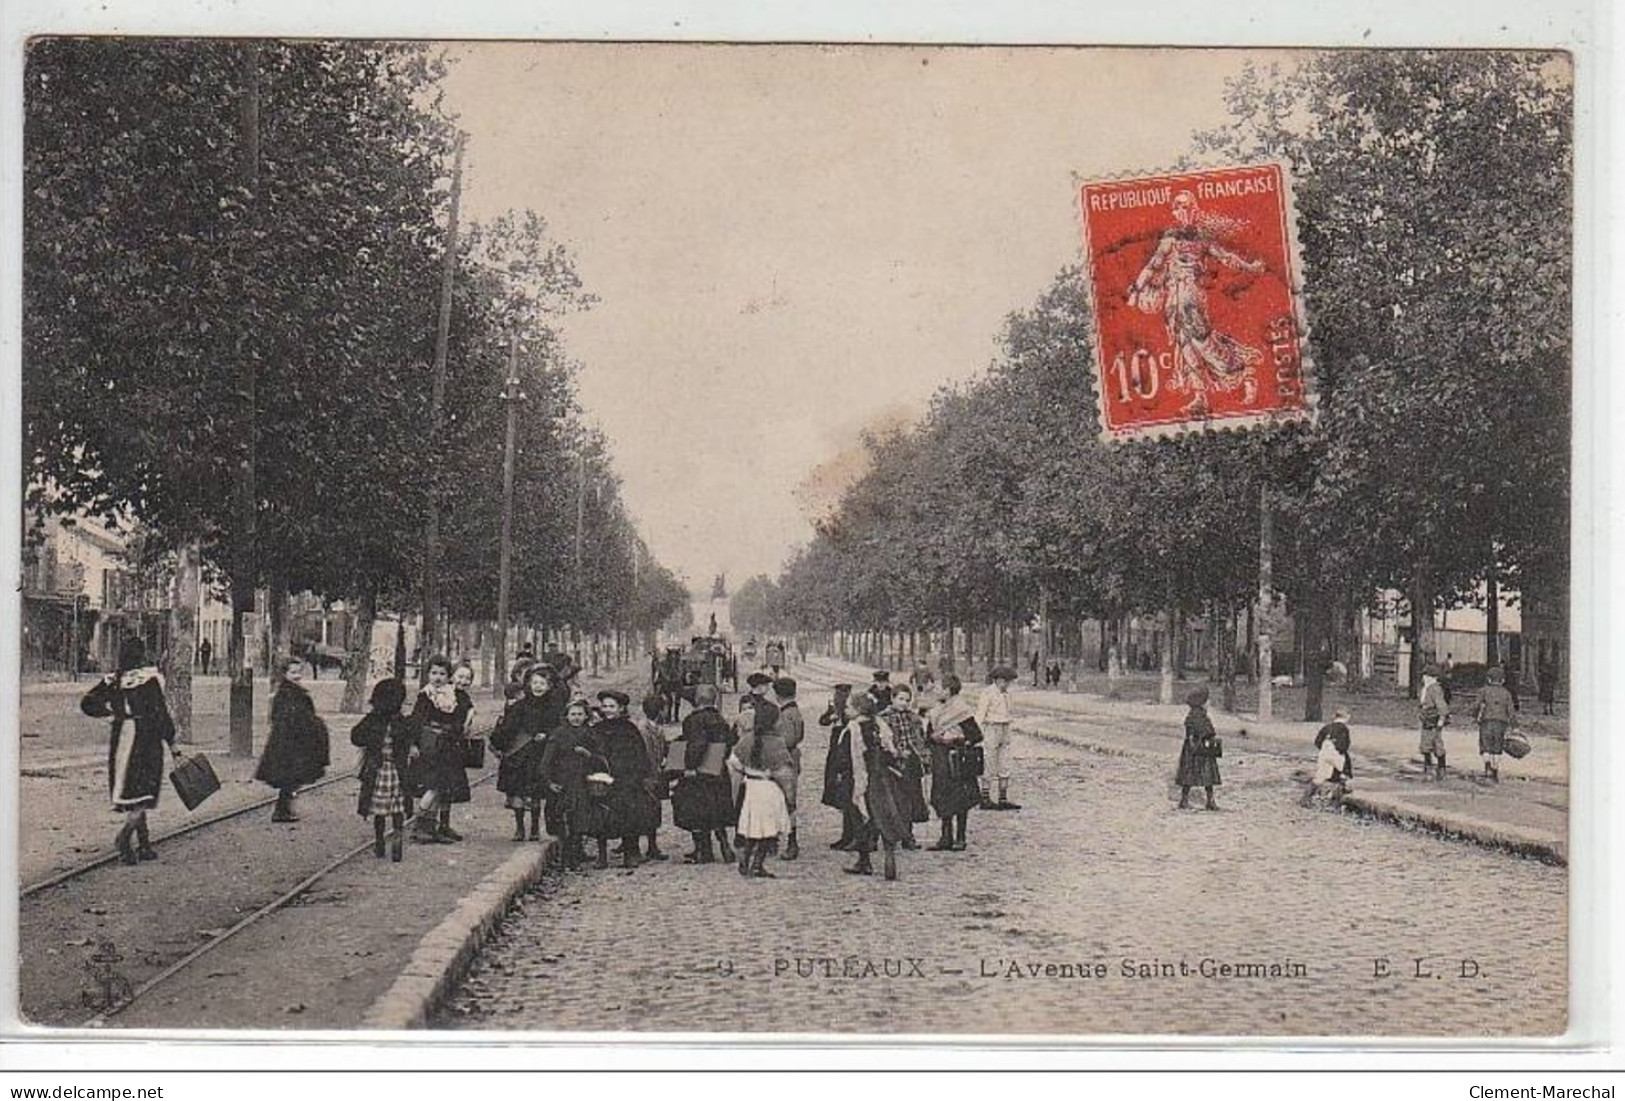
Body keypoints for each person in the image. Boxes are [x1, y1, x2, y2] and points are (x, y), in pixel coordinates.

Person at [1127, 188, 1266, 414]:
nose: (1184, 210)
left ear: (1195, 209)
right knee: (1185, 344)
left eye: (1188, 205)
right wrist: (1136, 288)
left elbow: (1225, 257)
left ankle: (1244, 374)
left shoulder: (1203, 237)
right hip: (1173, 295)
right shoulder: (1170, 237)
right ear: (1174, 211)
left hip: (1192, 294)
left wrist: (1250, 267)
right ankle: (1200, 397)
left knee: (1202, 340)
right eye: (1179, 206)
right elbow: (1154, 263)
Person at [80, 636, 178, 865]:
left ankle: (144, 845)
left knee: (131, 790)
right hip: (145, 739)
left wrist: (110, 714)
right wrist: (172, 743)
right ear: (141, 655)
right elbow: (160, 714)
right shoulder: (149, 680)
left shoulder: (113, 680)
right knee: (144, 790)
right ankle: (124, 839)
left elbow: (87, 703)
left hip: (121, 737)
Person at [589, 690, 661, 870]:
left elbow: (640, 755)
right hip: (604, 779)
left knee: (630, 814)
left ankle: (631, 852)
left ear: (621, 708)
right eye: (605, 706)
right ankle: (602, 855)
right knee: (602, 816)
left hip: (628, 780)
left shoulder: (629, 729)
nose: (608, 710)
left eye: (612, 706)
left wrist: (641, 776)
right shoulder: (596, 730)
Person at [255, 654, 331, 823]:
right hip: (289, 743)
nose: (297, 676)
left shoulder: (293, 692)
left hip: (293, 742)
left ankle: (284, 808)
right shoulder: (287, 694)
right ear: (285, 674)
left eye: (299, 672)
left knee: (291, 778)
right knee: (290, 777)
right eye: (293, 672)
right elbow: (292, 717)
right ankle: (282, 810)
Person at [844, 692, 910, 880]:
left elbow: (846, 758)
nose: (846, 710)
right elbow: (890, 750)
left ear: (857, 710)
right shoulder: (879, 725)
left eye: (849, 707)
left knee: (860, 818)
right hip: (883, 777)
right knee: (884, 814)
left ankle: (864, 861)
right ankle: (889, 853)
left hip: (861, 779)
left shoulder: (853, 729)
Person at [351, 677, 418, 862]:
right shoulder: (402, 721)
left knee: (378, 809)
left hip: (377, 769)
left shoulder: (372, 719)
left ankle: (379, 841)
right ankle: (397, 835)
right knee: (398, 807)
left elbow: (355, 737)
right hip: (396, 770)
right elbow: (411, 739)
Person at [410, 656, 473, 842]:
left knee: (446, 786)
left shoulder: (452, 695)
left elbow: (461, 714)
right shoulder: (426, 695)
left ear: (449, 676)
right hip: (431, 745)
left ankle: (440, 826)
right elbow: (416, 721)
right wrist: (413, 744)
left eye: (442, 674)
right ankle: (420, 825)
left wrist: (468, 716)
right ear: (428, 674)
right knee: (434, 785)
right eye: (434, 673)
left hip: (449, 745)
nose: (438, 678)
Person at [673, 684, 737, 864]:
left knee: (696, 811)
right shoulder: (720, 719)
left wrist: (690, 766)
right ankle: (724, 844)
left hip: (699, 772)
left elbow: (696, 744)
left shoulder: (693, 720)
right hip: (717, 769)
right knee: (716, 809)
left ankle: (703, 851)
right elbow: (730, 742)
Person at [491, 667, 554, 842]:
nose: (538, 687)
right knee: (517, 791)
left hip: (539, 755)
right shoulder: (518, 706)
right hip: (518, 756)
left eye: (542, 683)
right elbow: (507, 729)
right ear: (528, 685)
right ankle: (519, 828)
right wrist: (498, 743)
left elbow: (557, 728)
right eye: (535, 683)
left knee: (534, 794)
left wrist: (546, 734)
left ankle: (534, 828)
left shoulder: (552, 708)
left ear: (549, 686)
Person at [540, 698, 603, 871]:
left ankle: (575, 857)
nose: (576, 718)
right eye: (573, 714)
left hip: (583, 784)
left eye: (580, 714)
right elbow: (546, 762)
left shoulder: (590, 734)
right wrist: (550, 783)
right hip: (563, 784)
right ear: (566, 716)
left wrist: (588, 754)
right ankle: (564, 859)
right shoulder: (558, 734)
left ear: (586, 716)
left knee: (579, 822)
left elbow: (601, 760)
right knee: (562, 822)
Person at [924, 674, 982, 851]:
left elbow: (976, 736)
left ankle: (960, 837)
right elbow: (928, 736)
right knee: (942, 797)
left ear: (948, 691)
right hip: (940, 760)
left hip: (957, 760)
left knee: (960, 799)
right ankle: (945, 836)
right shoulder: (936, 711)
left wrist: (956, 740)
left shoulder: (961, 710)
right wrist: (933, 738)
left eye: (939, 687)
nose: (935, 690)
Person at [880, 683, 929, 848]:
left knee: (910, 799)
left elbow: (920, 739)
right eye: (900, 699)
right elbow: (884, 742)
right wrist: (897, 752)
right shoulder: (884, 718)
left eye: (907, 700)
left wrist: (923, 757)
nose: (904, 703)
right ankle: (892, 835)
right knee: (894, 799)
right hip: (894, 762)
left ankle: (908, 835)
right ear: (892, 698)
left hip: (911, 762)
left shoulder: (913, 718)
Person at [819, 683, 861, 850]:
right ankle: (847, 835)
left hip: (846, 755)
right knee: (842, 796)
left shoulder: (853, 714)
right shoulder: (834, 708)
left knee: (848, 796)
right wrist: (831, 718)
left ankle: (853, 836)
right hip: (836, 753)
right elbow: (822, 721)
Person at [975, 666, 1020, 810]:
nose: (1007, 685)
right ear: (998, 680)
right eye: (1006, 682)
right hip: (992, 728)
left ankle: (1002, 797)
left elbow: (1009, 712)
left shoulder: (1007, 695)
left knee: (1004, 762)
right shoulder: (987, 693)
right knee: (989, 762)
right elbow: (981, 714)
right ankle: (985, 797)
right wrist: (977, 733)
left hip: (1005, 728)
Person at [771, 677, 805, 861]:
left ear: (777, 695)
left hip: (785, 760)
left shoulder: (785, 714)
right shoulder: (795, 711)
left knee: (787, 803)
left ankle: (792, 843)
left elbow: (788, 740)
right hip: (792, 758)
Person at [635, 695, 672, 861]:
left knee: (654, 811)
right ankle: (643, 847)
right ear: (660, 711)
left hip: (655, 774)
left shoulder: (657, 728)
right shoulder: (643, 730)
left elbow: (664, 748)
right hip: (647, 775)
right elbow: (647, 755)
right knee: (644, 811)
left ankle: (652, 846)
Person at [1175, 687, 1222, 810]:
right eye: (1207, 701)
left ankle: (1185, 800)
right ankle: (1209, 801)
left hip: (1192, 749)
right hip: (1200, 749)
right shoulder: (1198, 715)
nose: (1209, 703)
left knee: (1189, 775)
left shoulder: (1194, 714)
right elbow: (1207, 730)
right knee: (1207, 776)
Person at [1301, 707, 1353, 807]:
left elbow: (1317, 741)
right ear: (1346, 717)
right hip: (1335, 753)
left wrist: (1324, 749)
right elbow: (1344, 745)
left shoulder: (1327, 727)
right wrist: (1340, 753)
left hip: (1324, 753)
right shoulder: (1343, 728)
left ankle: (1306, 798)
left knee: (1320, 777)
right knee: (1343, 772)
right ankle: (1337, 799)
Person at [1475, 666, 1517, 783]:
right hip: (1501, 723)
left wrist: (1473, 715)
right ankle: (1495, 771)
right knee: (1497, 747)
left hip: (1486, 721)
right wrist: (1514, 725)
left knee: (1485, 745)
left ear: (1488, 679)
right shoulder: (1507, 693)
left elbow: (1476, 705)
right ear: (1503, 680)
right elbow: (1511, 711)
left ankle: (1487, 767)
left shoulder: (1483, 691)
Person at [1418, 664, 1451, 781]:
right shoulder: (1427, 688)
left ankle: (1436, 770)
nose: (1423, 678)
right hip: (1428, 719)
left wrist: (1442, 719)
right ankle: (1434, 769)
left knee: (1433, 744)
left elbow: (1441, 705)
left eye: (1425, 675)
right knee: (1430, 744)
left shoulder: (1434, 689)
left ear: (1430, 677)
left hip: (1432, 720)